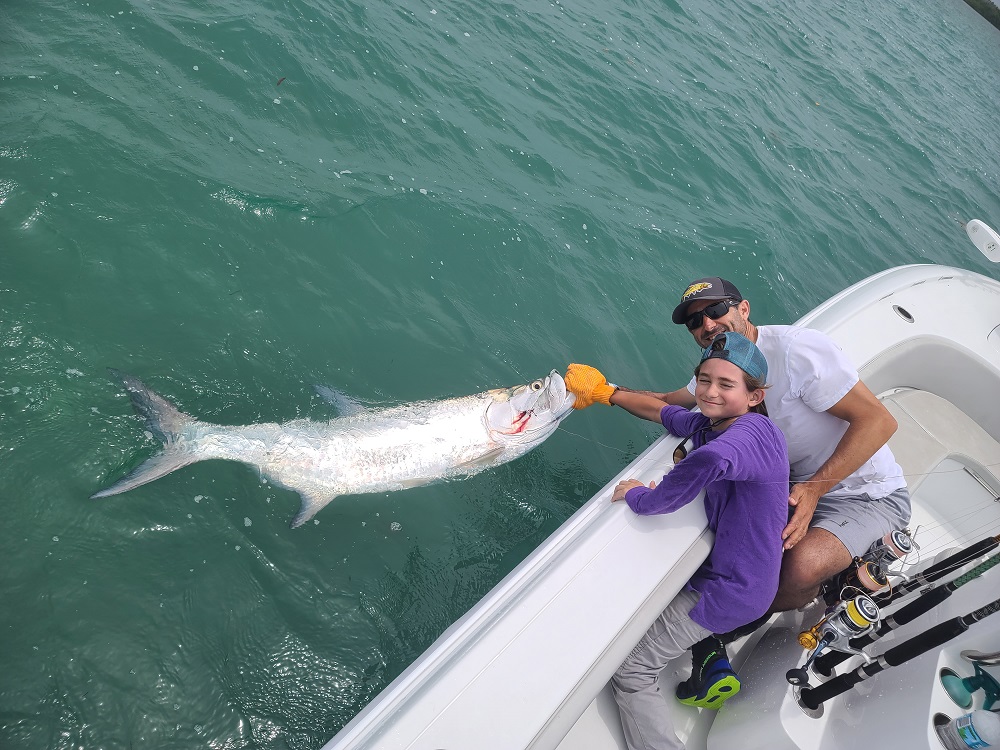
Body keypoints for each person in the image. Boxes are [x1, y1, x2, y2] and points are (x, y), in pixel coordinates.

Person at [575, 276, 911, 708]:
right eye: (695, 322)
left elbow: (879, 422)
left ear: (744, 309)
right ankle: (709, 634)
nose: (707, 324)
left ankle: (714, 640)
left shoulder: (797, 352)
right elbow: (668, 405)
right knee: (743, 550)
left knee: (799, 567)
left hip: (866, 493)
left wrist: (812, 492)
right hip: (792, 484)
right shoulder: (726, 366)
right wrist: (608, 393)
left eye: (716, 311)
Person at [565, 332, 789, 750]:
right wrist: (607, 393)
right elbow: (663, 412)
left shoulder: (748, 436)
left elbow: (714, 459)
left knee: (630, 670)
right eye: (704, 380)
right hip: (731, 572)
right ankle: (710, 663)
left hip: (731, 591)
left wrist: (643, 497)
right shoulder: (716, 421)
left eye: (726, 384)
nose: (710, 391)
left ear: (755, 396)